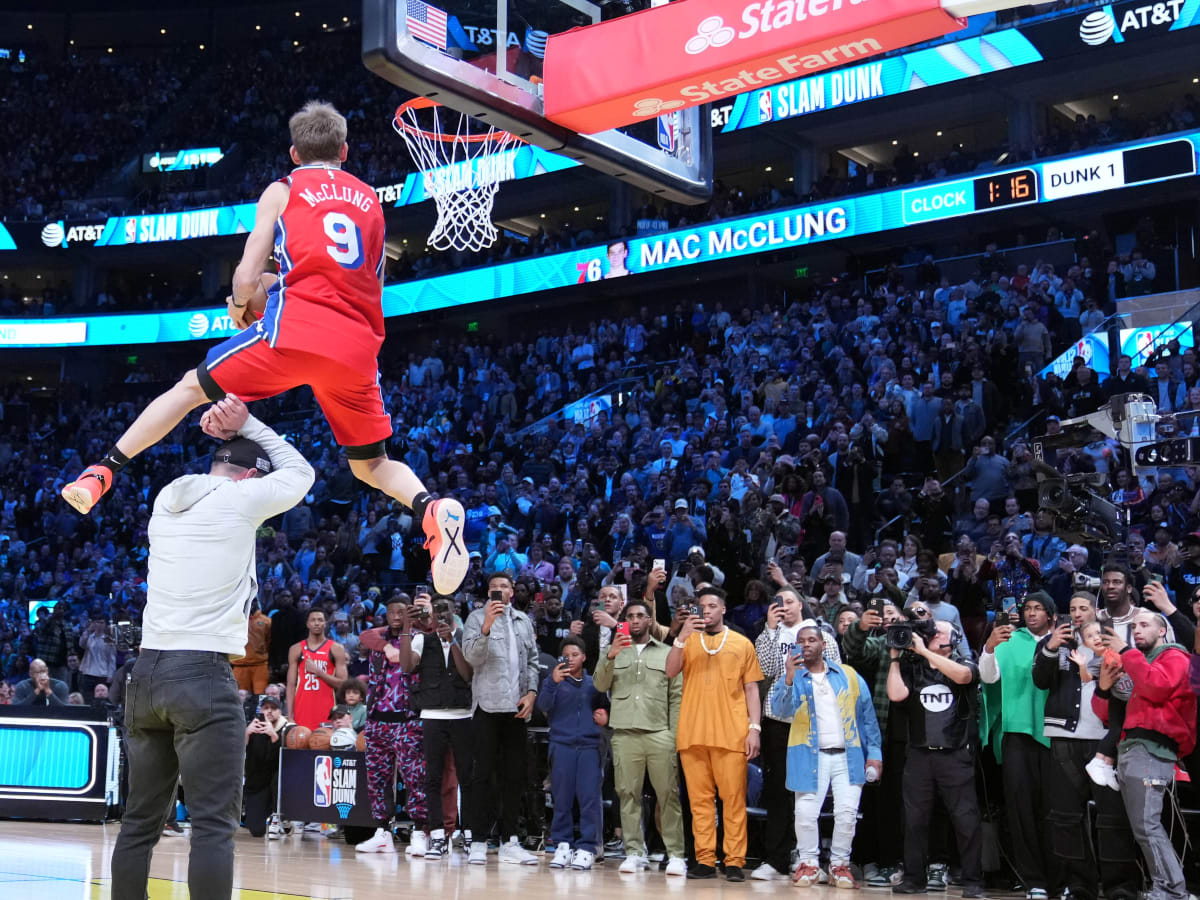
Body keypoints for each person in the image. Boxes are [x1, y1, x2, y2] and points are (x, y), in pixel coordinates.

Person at [61, 101, 467, 597]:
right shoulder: (370, 199)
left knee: (189, 389)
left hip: (293, 333)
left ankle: (101, 472)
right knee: (370, 465)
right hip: (358, 343)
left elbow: (247, 275)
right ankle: (431, 508)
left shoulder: (283, 189)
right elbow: (371, 281)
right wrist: (275, 290)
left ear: (294, 153)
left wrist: (239, 304)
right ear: (344, 150)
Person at [110, 397, 314, 900]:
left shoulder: (166, 498)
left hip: (148, 672)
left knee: (139, 825)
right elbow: (301, 471)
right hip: (201, 674)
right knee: (212, 827)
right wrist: (248, 423)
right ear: (251, 478)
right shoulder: (240, 499)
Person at [1032, 594, 1140, 900]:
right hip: (1064, 738)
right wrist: (1051, 646)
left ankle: (1120, 886)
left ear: (1096, 612)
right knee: (1066, 817)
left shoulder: (1115, 647)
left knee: (1112, 817)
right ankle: (1079, 885)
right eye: (1072, 609)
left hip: (1106, 739)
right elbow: (1040, 681)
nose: (1077, 613)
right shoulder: (1055, 645)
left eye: (1084, 608)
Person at [666, 585, 764, 882]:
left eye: (711, 606)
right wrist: (681, 636)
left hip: (732, 733)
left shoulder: (742, 643)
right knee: (699, 802)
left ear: (723, 609)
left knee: (733, 801)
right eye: (701, 606)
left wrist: (754, 729)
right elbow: (670, 671)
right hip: (693, 732)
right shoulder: (688, 640)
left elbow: (752, 689)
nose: (706, 610)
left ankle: (734, 861)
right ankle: (705, 860)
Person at [772, 624, 882, 890]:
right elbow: (779, 710)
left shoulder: (849, 675)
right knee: (805, 814)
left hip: (848, 756)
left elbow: (868, 718)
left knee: (846, 814)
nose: (807, 644)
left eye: (812, 640)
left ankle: (839, 865)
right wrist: (788, 676)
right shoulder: (792, 676)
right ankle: (808, 863)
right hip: (809, 756)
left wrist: (875, 755)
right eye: (801, 641)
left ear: (823, 645)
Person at [1096, 610, 1196, 900]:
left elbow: (1156, 687)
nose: (1136, 630)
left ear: (1162, 631)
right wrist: (1104, 687)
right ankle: (1167, 887)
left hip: (1152, 749)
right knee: (1142, 827)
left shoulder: (1176, 657)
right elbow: (1106, 715)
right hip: (1129, 748)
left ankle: (1172, 890)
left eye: (1144, 625)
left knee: (1147, 825)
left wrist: (1126, 652)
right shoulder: (1137, 663)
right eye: (1133, 626)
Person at [887, 621, 984, 898]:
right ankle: (914, 878)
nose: (933, 635)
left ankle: (973, 881)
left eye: (940, 632)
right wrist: (895, 659)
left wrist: (927, 653)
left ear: (954, 639)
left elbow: (964, 677)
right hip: (919, 754)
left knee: (965, 820)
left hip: (955, 753)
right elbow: (896, 695)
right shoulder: (913, 666)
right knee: (914, 820)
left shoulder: (963, 660)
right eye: (932, 632)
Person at [750, 586, 840, 882]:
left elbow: (835, 672)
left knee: (809, 791)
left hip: (814, 720)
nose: (784, 606)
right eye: (778, 602)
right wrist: (771, 630)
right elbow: (764, 669)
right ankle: (776, 859)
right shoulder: (769, 633)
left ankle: (807, 858)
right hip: (779, 718)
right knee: (777, 791)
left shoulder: (822, 634)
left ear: (801, 604)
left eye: (789, 601)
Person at [592, 598, 687, 877]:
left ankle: (676, 854)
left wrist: (673, 736)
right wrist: (610, 655)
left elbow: (676, 697)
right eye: (630, 616)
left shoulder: (667, 652)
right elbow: (599, 683)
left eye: (640, 616)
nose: (634, 620)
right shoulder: (614, 652)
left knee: (667, 795)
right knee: (627, 795)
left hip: (660, 734)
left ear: (649, 621)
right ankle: (634, 852)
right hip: (624, 733)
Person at [979, 590, 1058, 900]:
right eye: (1028, 608)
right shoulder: (1010, 640)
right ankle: (1033, 879)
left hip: (1057, 736)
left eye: (1039, 608)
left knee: (1054, 811)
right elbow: (988, 678)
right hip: (1017, 733)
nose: (1032, 613)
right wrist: (988, 647)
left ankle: (1061, 876)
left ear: (1051, 614)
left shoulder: (1063, 640)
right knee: (1021, 810)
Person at [461, 572, 541, 865]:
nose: (498, 591)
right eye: (493, 587)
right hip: (486, 707)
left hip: (516, 708)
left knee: (514, 778)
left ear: (512, 592)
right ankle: (479, 841)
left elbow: (533, 661)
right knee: (481, 777)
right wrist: (485, 627)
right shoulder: (475, 618)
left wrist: (532, 693)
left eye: (504, 587)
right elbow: (471, 658)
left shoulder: (523, 621)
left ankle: (510, 841)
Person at [396, 596, 474, 859]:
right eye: (437, 609)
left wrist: (451, 641)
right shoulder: (421, 639)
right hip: (431, 714)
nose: (441, 614)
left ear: (454, 612)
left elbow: (467, 674)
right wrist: (407, 626)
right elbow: (406, 666)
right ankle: (438, 835)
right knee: (433, 778)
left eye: (445, 609)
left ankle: (468, 834)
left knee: (466, 777)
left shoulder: (464, 636)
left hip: (462, 714)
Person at [353, 596, 429, 855]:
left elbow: (433, 628)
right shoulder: (377, 638)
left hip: (407, 720)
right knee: (377, 780)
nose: (397, 615)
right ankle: (382, 830)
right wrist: (386, 647)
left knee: (415, 778)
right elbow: (364, 635)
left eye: (402, 611)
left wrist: (420, 616)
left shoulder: (419, 636)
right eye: (392, 611)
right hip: (377, 720)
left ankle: (420, 831)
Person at [539, 636, 609, 870]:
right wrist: (551, 681)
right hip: (561, 745)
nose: (570, 659)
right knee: (562, 799)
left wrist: (606, 718)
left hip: (589, 747)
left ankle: (588, 847)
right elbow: (543, 706)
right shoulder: (555, 681)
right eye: (566, 655)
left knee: (589, 799)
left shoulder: (594, 684)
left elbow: (605, 708)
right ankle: (562, 845)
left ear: (584, 657)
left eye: (575, 655)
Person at [287, 609, 347, 732]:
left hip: (327, 711)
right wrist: (290, 715)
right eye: (313, 620)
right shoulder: (296, 649)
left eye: (320, 620)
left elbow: (343, 684)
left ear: (325, 623)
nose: (316, 623)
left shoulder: (336, 648)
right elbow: (291, 686)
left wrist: (319, 672)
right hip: (302, 709)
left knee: (322, 745)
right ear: (307, 624)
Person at [243, 696, 289, 839]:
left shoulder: (287, 729)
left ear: (280, 711)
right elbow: (239, 755)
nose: (269, 711)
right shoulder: (252, 727)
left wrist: (274, 736)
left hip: (276, 784)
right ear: (260, 710)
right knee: (256, 831)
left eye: (273, 708)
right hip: (256, 785)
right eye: (266, 708)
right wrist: (246, 735)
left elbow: (283, 761)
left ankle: (282, 817)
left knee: (279, 778)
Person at [233, 602, 272, 695]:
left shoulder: (266, 621)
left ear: (256, 603)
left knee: (260, 696)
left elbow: (269, 641)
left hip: (260, 665)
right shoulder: (234, 620)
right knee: (240, 697)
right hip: (239, 665)